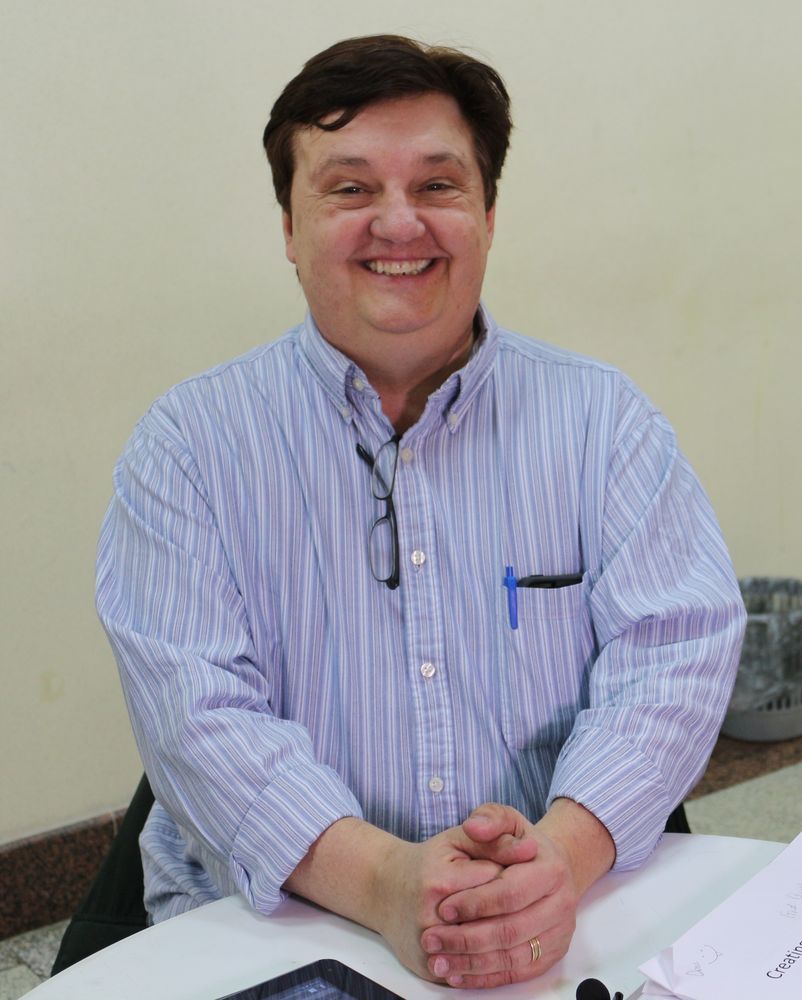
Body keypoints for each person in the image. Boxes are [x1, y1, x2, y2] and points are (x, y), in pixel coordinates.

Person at [96, 34, 745, 989]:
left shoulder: (605, 424)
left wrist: (558, 860)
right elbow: (196, 716)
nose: (399, 223)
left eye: (438, 185)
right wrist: (387, 883)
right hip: (283, 921)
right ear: (290, 226)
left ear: (488, 215)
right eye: (350, 188)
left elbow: (674, 656)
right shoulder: (187, 449)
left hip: (562, 899)